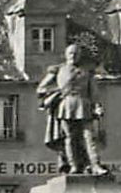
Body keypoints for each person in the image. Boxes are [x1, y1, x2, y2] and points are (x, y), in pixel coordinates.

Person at [37, 42, 106, 175]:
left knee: (89, 137)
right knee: (69, 138)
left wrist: (97, 106)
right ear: (66, 55)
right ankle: (73, 165)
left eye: (76, 54)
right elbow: (41, 88)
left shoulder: (87, 72)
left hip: (84, 106)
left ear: (80, 55)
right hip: (65, 106)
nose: (73, 56)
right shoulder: (57, 70)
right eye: (71, 53)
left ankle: (95, 165)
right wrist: (58, 91)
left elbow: (94, 92)